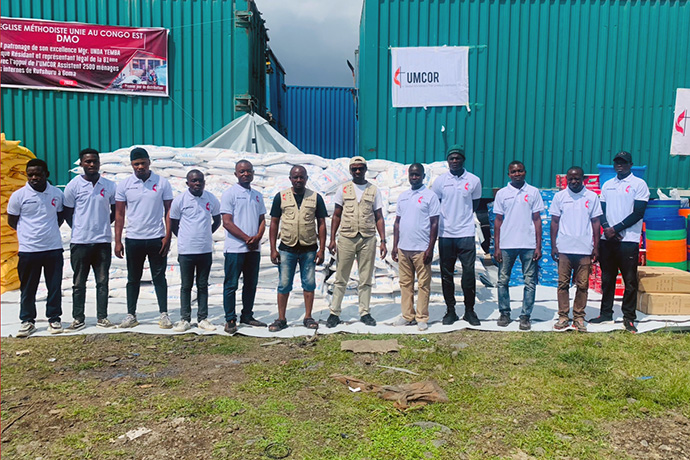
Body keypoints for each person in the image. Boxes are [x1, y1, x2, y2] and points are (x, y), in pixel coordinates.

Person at [114, 147, 174, 329]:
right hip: (134, 238)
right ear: (131, 165)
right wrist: (117, 241)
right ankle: (131, 314)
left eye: (142, 163)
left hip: (156, 237)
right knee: (133, 278)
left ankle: (164, 314)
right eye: (136, 164)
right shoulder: (124, 185)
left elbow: (169, 211)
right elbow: (119, 214)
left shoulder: (162, 183)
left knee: (159, 277)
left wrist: (168, 236)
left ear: (149, 162)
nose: (140, 167)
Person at [591, 151, 649, 333]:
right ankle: (606, 313)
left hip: (628, 240)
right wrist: (607, 229)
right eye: (617, 162)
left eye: (623, 162)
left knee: (629, 281)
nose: (620, 165)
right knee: (607, 279)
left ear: (630, 164)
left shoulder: (639, 184)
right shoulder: (608, 185)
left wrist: (615, 229)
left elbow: (638, 212)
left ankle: (629, 317)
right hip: (607, 240)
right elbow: (601, 209)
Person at [327, 156, 387, 328]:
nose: (358, 171)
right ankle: (334, 312)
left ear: (366, 169)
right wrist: (332, 239)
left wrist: (383, 241)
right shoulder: (343, 189)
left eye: (361, 168)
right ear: (350, 171)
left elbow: (379, 217)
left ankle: (365, 312)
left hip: (368, 237)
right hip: (346, 237)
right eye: (354, 169)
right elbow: (336, 215)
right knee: (341, 277)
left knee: (365, 277)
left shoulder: (373, 190)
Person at [7, 159, 65, 336]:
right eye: (30, 174)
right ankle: (27, 320)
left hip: (53, 248)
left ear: (46, 174)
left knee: (54, 286)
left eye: (38, 174)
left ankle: (54, 319)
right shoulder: (19, 196)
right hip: (28, 250)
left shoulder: (56, 194)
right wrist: (29, 235)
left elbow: (60, 217)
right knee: (28, 287)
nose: (34, 178)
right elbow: (12, 221)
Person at [268, 165, 328, 332]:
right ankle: (281, 318)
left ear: (306, 178)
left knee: (309, 283)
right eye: (295, 177)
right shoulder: (281, 197)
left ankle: (308, 317)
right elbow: (274, 222)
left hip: (309, 248)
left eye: (301, 177)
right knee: (284, 284)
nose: (298, 180)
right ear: (290, 179)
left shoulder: (315, 198)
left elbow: (321, 223)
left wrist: (322, 249)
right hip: (287, 247)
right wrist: (273, 249)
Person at [63, 148, 117, 330]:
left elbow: (114, 211)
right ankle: (78, 318)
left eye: (94, 161)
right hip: (80, 242)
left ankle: (102, 317)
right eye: (87, 161)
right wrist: (80, 227)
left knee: (102, 282)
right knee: (79, 283)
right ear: (81, 164)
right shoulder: (73, 186)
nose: (91, 164)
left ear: (99, 163)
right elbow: (67, 213)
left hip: (102, 242)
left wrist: (101, 224)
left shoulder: (109, 185)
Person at [431, 145, 482, 326]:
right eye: (451, 158)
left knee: (468, 273)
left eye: (457, 158)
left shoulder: (474, 180)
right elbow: (435, 204)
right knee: (447, 274)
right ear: (447, 161)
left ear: (463, 160)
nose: (454, 161)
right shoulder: (440, 181)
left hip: (466, 233)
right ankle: (450, 311)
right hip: (446, 234)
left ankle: (469, 310)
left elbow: (474, 205)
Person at [493, 161, 545, 331]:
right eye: (513, 171)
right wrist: (497, 247)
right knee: (503, 281)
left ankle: (525, 316)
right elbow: (498, 221)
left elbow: (537, 220)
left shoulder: (533, 192)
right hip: (507, 244)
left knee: (530, 282)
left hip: (528, 244)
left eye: (520, 171)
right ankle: (505, 313)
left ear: (525, 172)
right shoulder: (502, 194)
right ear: (509, 174)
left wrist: (538, 246)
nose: (517, 174)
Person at [549, 166, 602, 332]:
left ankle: (579, 317)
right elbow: (555, 222)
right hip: (564, 247)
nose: (573, 181)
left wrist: (596, 246)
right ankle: (563, 316)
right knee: (562, 284)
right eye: (570, 178)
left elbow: (596, 223)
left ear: (583, 179)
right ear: (566, 179)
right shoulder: (560, 197)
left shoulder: (592, 197)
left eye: (577, 178)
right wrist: (554, 245)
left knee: (583, 285)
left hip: (585, 248)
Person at [168, 170, 221, 332]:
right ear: (187, 183)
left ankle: (203, 318)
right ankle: (185, 319)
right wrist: (184, 237)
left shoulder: (211, 199)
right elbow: (173, 223)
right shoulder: (180, 200)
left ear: (204, 183)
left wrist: (205, 234)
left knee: (203, 285)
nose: (197, 183)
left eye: (200, 181)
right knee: (186, 286)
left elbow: (217, 220)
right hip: (186, 251)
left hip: (204, 250)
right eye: (194, 181)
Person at [220, 160, 267, 334]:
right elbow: (226, 222)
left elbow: (262, 219)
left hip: (253, 249)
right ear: (236, 174)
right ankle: (230, 319)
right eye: (242, 172)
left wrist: (258, 237)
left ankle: (247, 315)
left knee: (250, 283)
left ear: (253, 173)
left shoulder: (257, 195)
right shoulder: (229, 194)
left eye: (248, 171)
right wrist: (247, 238)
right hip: (235, 248)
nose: (245, 174)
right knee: (231, 284)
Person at [391, 163, 440, 331]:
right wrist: (394, 246)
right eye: (411, 175)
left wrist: (430, 248)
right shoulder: (403, 196)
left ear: (423, 176)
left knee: (423, 284)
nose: (414, 177)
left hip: (421, 249)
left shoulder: (430, 196)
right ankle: (407, 315)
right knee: (405, 283)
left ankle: (422, 317)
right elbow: (397, 223)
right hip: (404, 248)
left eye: (417, 175)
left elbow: (435, 223)